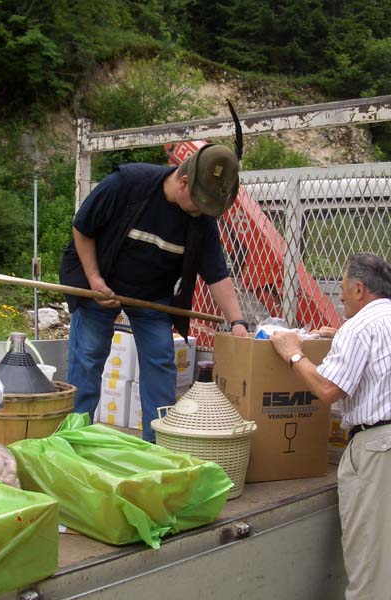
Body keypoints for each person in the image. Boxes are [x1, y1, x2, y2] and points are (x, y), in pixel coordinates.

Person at [270, 252, 391, 600]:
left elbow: (327, 390)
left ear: (360, 289)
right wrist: (339, 337)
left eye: (344, 287)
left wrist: (293, 353)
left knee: (373, 562)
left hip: (385, 447)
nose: (340, 295)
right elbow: (382, 360)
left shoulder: (359, 328)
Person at [59, 144, 250, 442]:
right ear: (184, 182)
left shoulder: (202, 220)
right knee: (88, 356)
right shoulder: (127, 184)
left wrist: (238, 322)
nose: (202, 212)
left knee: (160, 361)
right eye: (200, 204)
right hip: (100, 281)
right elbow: (83, 229)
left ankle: (158, 445)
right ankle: (73, 438)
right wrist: (94, 279)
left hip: (152, 295)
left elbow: (217, 274)